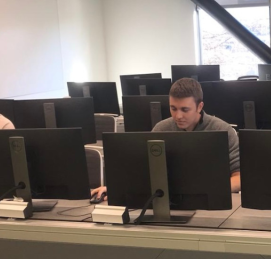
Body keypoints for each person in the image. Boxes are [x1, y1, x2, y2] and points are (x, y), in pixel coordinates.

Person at [91, 77, 240, 198]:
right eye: (173, 108)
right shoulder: (161, 129)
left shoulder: (222, 130)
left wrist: (211, 189)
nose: (178, 116)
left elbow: (239, 177)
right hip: (169, 201)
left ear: (200, 107)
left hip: (213, 201)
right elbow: (143, 172)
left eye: (185, 109)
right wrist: (116, 189)